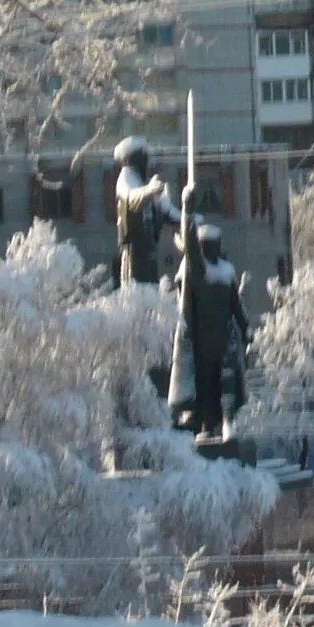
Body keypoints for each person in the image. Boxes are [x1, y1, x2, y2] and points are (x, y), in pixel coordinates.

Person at [178, 216, 252, 450]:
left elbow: (236, 305)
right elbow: (189, 246)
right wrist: (187, 210)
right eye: (210, 244)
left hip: (224, 339)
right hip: (201, 343)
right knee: (206, 387)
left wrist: (246, 327)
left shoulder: (226, 272)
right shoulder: (197, 272)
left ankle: (228, 423)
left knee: (228, 381)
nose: (214, 248)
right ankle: (207, 426)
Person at [114, 136, 173, 289]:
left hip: (148, 249)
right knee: (136, 289)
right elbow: (132, 198)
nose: (147, 164)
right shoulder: (126, 177)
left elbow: (163, 212)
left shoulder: (140, 182)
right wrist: (150, 190)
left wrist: (186, 217)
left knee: (150, 287)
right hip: (133, 250)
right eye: (144, 159)